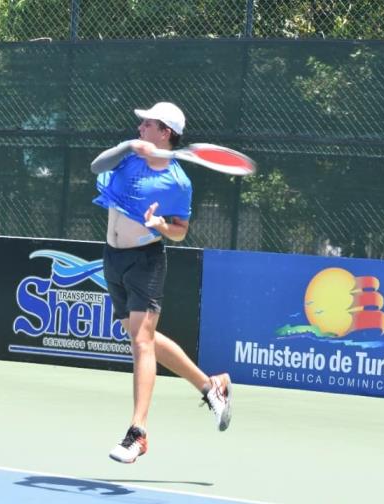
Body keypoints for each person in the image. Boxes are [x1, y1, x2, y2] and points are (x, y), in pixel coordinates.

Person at [90, 102, 232, 464]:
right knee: (145, 338)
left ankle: (137, 432)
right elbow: (96, 166)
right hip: (113, 258)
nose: (140, 128)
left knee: (141, 342)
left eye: (148, 124)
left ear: (165, 132)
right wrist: (128, 146)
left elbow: (180, 231)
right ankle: (211, 386)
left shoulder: (178, 182)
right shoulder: (128, 156)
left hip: (145, 261)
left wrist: (160, 226)